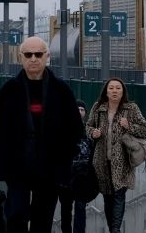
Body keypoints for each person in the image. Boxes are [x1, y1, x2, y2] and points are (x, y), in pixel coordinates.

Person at [0, 36, 82, 233]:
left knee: (42, 221)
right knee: (16, 217)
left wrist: (70, 163)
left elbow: (75, 130)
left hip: (50, 169)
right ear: (21, 58)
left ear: (47, 56)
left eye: (38, 54)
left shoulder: (61, 91)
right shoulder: (9, 90)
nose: (33, 59)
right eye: (28, 55)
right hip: (17, 167)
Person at [85, 78, 146, 233]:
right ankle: (112, 228)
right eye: (111, 88)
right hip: (101, 162)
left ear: (123, 92)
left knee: (119, 195)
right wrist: (93, 133)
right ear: (106, 92)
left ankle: (115, 230)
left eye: (118, 88)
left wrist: (129, 126)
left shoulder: (131, 109)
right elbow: (88, 126)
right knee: (108, 198)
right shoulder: (98, 108)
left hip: (123, 163)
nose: (114, 91)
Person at [57, 100, 92, 233]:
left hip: (82, 176)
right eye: (77, 109)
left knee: (80, 207)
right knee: (66, 209)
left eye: (82, 110)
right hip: (66, 177)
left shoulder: (89, 131)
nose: (79, 112)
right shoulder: (63, 130)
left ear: (85, 113)